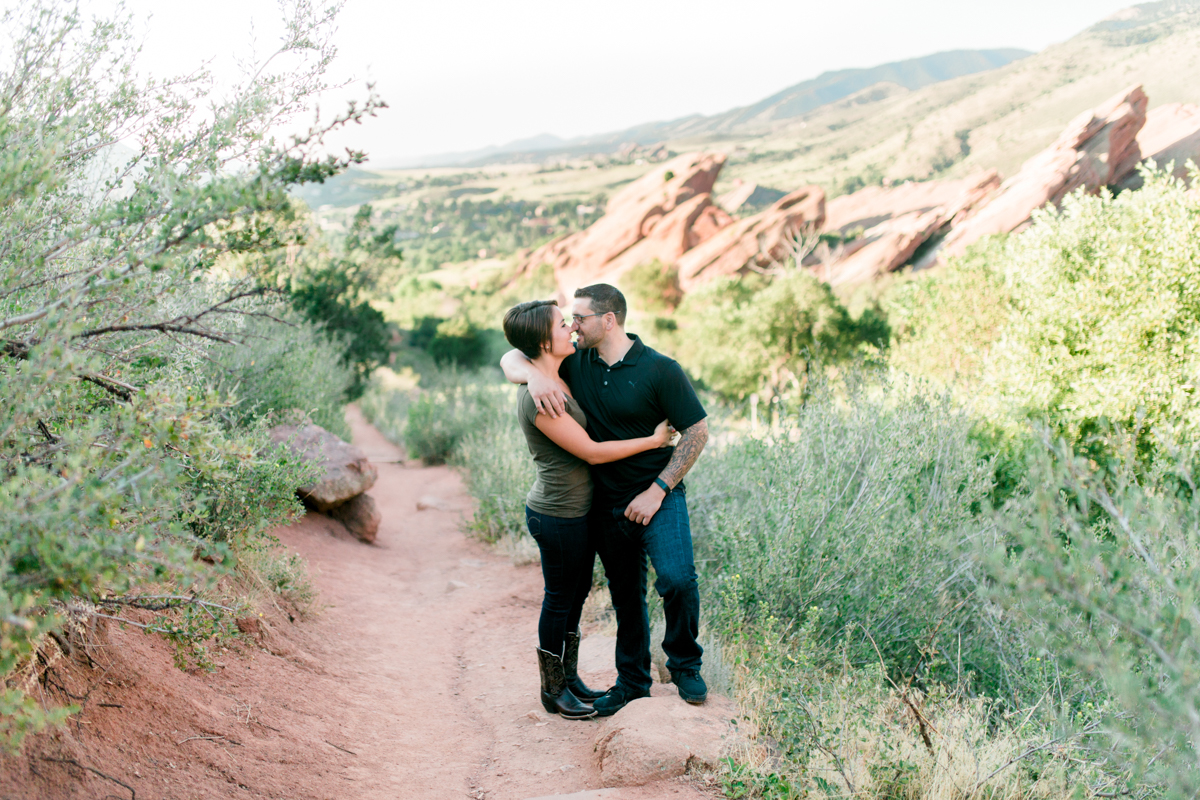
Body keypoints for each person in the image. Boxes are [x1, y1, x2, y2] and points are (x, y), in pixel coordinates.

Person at [501, 284, 709, 717]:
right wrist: (534, 374)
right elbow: (515, 355)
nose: (573, 327)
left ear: (608, 320)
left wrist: (658, 489)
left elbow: (697, 432)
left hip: (658, 493)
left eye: (579, 319)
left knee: (678, 580)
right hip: (602, 503)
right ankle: (632, 684)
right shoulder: (575, 364)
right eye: (567, 321)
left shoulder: (661, 369)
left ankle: (685, 665)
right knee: (625, 596)